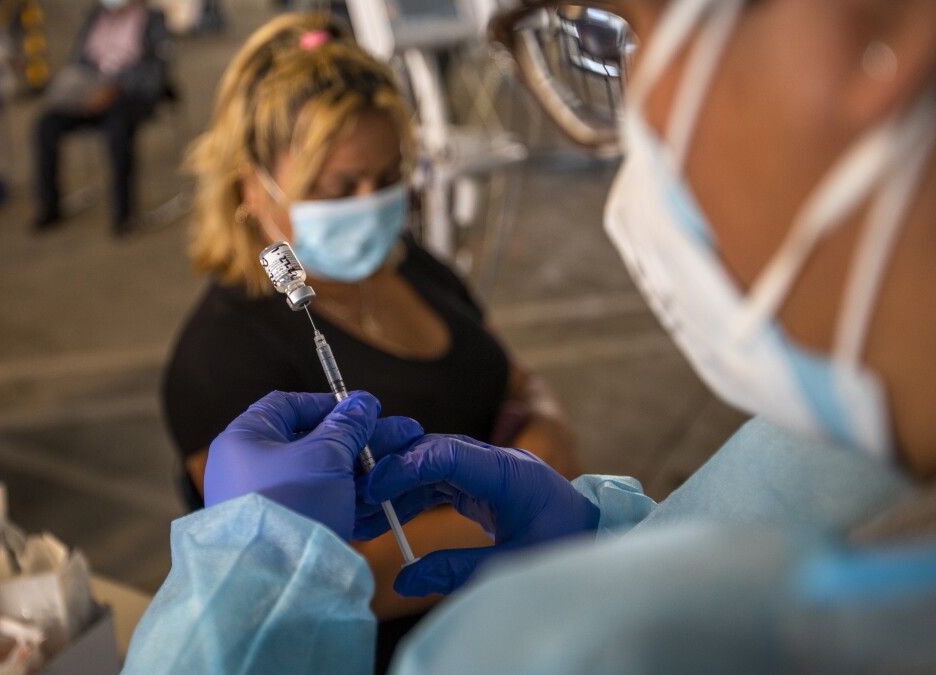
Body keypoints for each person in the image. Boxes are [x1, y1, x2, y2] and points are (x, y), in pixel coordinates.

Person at [126, 0, 936, 672]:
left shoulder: (563, 648)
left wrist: (250, 588)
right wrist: (605, 532)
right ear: (256, 191)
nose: (640, 131)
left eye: (632, 35)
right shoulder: (222, 359)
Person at [161, 12, 579, 657]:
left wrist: (546, 438)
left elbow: (517, 380)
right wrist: (519, 501)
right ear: (253, 186)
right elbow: (319, 579)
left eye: (387, 180)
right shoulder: (219, 361)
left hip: (521, 608)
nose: (371, 202)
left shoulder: (410, 264)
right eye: (337, 187)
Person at [32, 0, 169, 237]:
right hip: (90, 94)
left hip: (129, 96)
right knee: (46, 124)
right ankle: (50, 207)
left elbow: (156, 73)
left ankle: (124, 215)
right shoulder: (95, 17)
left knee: (118, 130)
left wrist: (117, 87)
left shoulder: (152, 19)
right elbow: (78, 61)